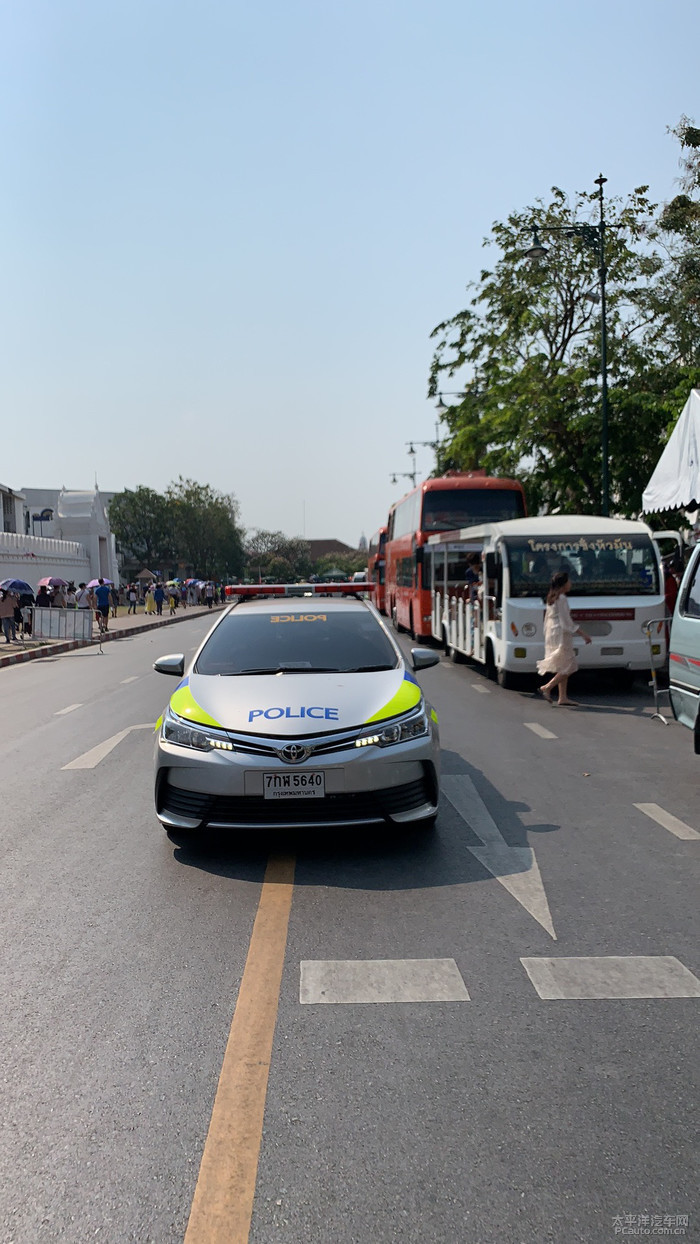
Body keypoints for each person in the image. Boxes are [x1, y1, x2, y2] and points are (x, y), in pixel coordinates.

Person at [537, 571, 592, 706]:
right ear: (563, 584)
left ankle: (562, 697)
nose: (570, 584)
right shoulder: (561, 599)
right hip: (561, 633)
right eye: (569, 581)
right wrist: (583, 634)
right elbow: (567, 622)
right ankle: (547, 687)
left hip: (553, 632)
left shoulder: (552, 597)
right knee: (571, 665)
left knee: (562, 664)